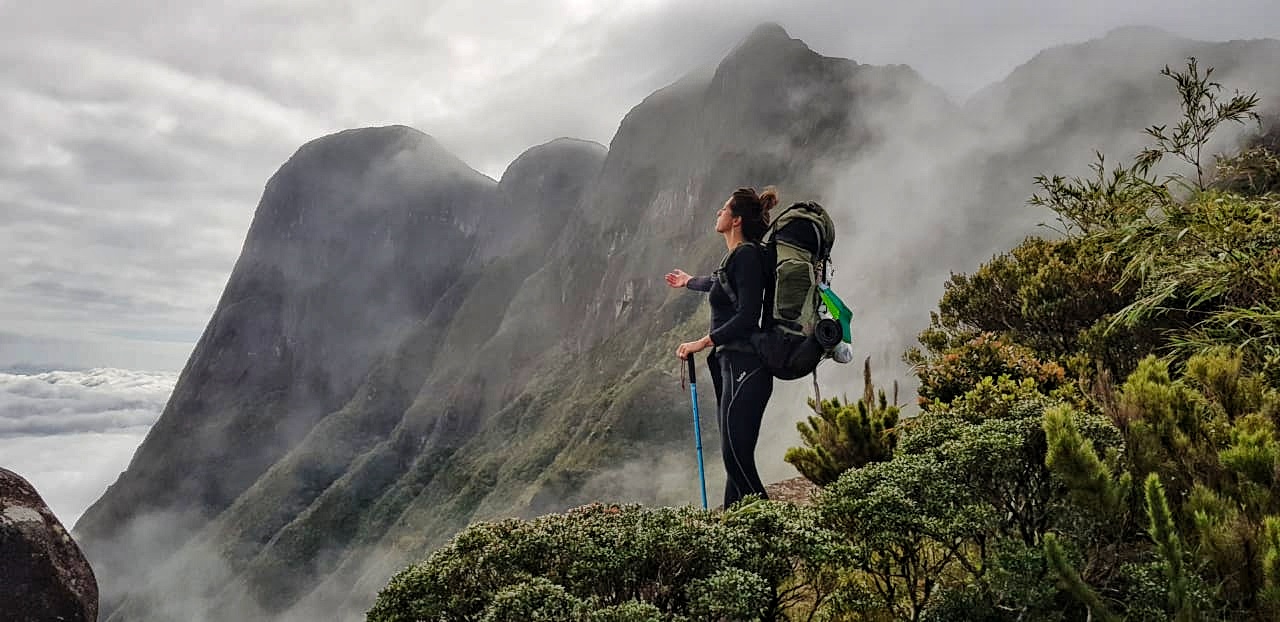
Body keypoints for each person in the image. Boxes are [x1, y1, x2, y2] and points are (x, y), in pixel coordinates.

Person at [666, 186, 777, 509]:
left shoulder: (747, 256)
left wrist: (702, 342)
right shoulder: (737, 258)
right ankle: (732, 525)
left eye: (724, 209)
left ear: (736, 220)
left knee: (736, 456)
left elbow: (746, 317)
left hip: (747, 365)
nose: (718, 213)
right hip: (733, 365)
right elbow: (719, 284)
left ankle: (770, 530)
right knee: (733, 453)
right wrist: (689, 281)